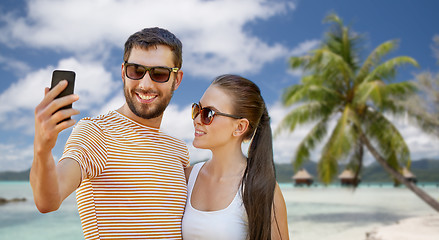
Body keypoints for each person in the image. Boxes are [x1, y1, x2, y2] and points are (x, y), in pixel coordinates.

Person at [30, 27, 189, 239]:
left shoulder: (178, 149)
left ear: (176, 80)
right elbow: (48, 200)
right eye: (136, 71)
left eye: (159, 74)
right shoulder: (96, 133)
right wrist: (42, 148)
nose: (145, 84)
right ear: (123, 73)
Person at [182, 74, 289, 239]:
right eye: (197, 109)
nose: (197, 119)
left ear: (240, 127)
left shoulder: (261, 188)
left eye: (208, 114)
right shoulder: (187, 178)